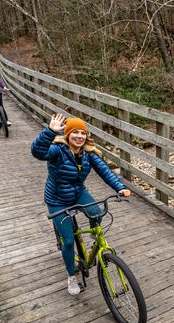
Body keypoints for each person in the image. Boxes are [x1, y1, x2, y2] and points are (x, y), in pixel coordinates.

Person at [31, 113, 131, 295]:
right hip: (57, 199)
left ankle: (95, 238)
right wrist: (49, 132)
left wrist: (120, 187)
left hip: (78, 193)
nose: (79, 136)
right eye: (75, 132)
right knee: (68, 242)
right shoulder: (57, 151)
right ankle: (72, 275)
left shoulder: (88, 154)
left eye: (82, 133)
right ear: (67, 135)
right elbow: (38, 152)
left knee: (97, 212)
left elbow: (105, 171)